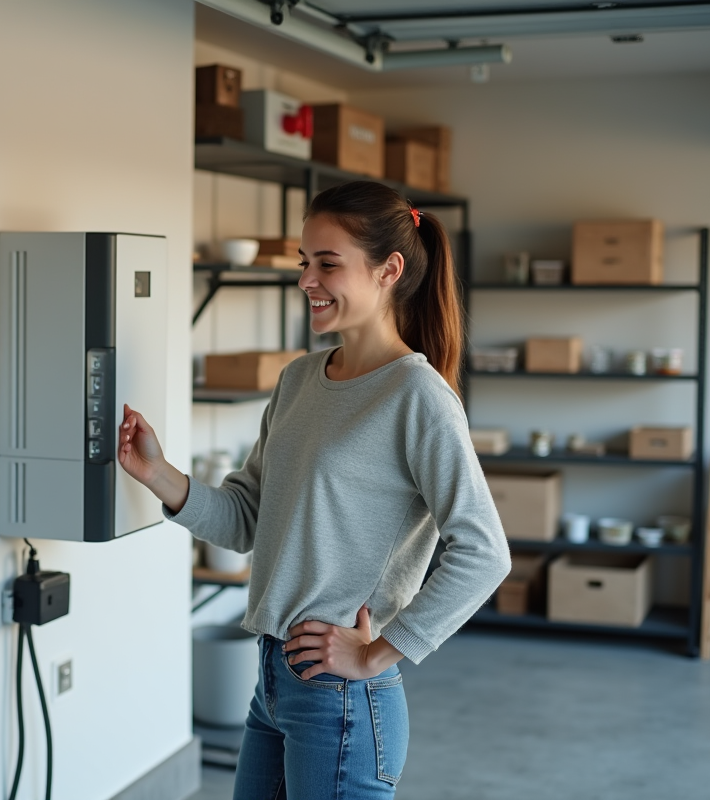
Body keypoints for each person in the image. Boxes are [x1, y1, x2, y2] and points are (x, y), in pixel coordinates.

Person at [118, 180, 511, 799]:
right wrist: (159, 474)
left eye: (328, 263)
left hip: (344, 699)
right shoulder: (299, 380)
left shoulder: (418, 396)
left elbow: (484, 551)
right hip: (275, 682)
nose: (307, 280)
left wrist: (379, 652)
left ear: (389, 270)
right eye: (305, 262)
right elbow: (248, 517)